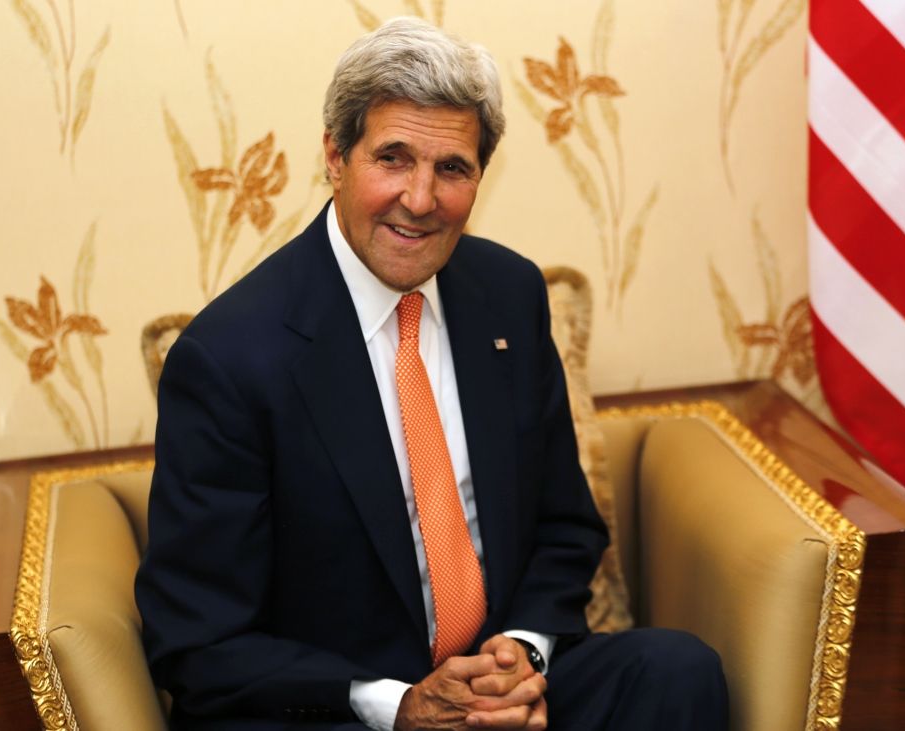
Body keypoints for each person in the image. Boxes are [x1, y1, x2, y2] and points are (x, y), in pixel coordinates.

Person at [135, 17, 728, 731]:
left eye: (452, 168)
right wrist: (400, 705)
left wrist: (520, 657)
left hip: (496, 684)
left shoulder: (509, 294)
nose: (420, 199)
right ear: (335, 156)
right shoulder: (229, 356)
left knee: (676, 671)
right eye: (393, 158)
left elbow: (564, 526)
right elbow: (199, 643)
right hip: (346, 705)